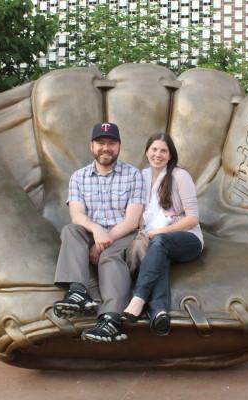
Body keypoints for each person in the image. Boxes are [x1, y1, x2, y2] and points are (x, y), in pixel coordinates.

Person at [53, 122, 145, 343]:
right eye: (100, 143)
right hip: (91, 232)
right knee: (70, 230)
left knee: (109, 255)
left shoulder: (133, 175)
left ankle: (111, 318)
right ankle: (77, 291)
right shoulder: (79, 177)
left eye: (111, 143)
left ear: (119, 146)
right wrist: (96, 231)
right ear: (91, 146)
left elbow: (132, 220)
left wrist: (104, 241)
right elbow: (77, 215)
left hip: (123, 235)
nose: (106, 147)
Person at [122, 133, 203, 336]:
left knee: (159, 243)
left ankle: (138, 298)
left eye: (163, 150)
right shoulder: (141, 177)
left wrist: (160, 231)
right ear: (147, 151)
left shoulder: (179, 176)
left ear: (170, 155)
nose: (158, 154)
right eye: (154, 149)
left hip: (187, 238)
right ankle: (159, 312)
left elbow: (193, 219)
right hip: (156, 241)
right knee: (158, 255)